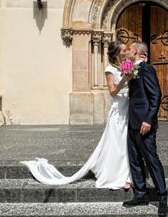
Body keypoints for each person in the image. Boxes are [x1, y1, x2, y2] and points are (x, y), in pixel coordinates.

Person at [21, 41, 132, 190]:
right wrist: (124, 80)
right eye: (124, 50)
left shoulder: (127, 66)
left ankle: (128, 175)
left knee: (126, 143)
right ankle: (116, 175)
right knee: (118, 143)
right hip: (118, 109)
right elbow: (112, 92)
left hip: (129, 108)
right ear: (117, 53)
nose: (127, 52)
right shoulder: (110, 69)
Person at [122, 41, 168, 217]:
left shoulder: (146, 68)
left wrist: (149, 120)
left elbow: (155, 95)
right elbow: (124, 72)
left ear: (138, 52)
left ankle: (162, 197)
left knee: (151, 159)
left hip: (144, 123)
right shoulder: (131, 67)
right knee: (134, 159)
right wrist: (125, 57)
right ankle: (140, 194)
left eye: (130, 49)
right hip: (132, 121)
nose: (127, 51)